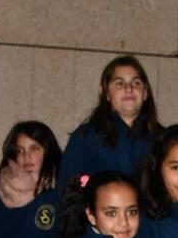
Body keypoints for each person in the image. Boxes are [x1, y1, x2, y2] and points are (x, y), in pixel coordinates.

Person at [58, 57, 160, 190]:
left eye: (136, 83)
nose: (129, 88)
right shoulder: (85, 139)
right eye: (119, 83)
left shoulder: (162, 140)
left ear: (145, 92)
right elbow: (67, 193)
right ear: (105, 92)